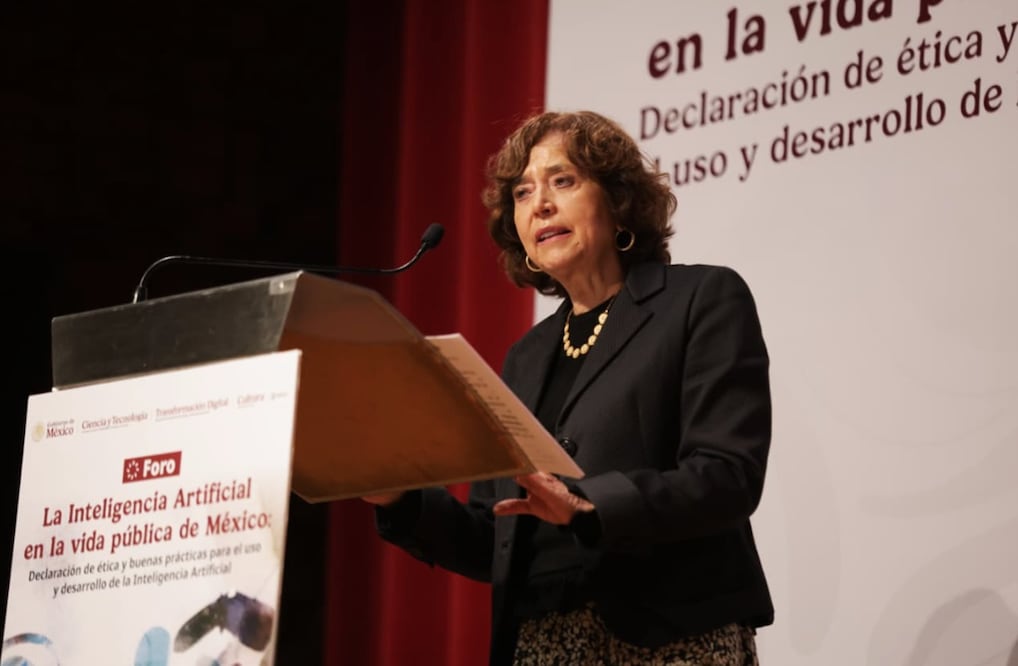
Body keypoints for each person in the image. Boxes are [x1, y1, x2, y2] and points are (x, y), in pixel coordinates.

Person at [364, 110, 773, 665]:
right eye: (523, 193)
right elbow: (497, 535)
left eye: (563, 180)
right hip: (542, 644)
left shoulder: (701, 299)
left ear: (618, 200)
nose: (540, 204)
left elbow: (727, 475)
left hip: (669, 635)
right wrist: (401, 498)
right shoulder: (526, 357)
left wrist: (586, 506)